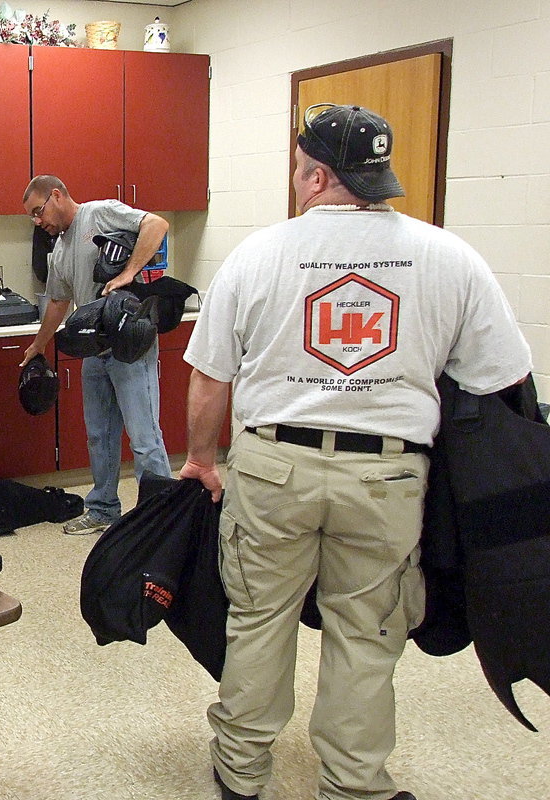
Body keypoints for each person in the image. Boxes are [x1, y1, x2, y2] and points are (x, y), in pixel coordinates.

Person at [179, 104, 532, 800]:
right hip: (388, 474)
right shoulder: (449, 256)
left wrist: (202, 460)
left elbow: (209, 377)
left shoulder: (259, 254)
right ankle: (353, 783)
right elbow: (503, 379)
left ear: (315, 176)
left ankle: (241, 772)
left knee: (258, 620)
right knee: (367, 636)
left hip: (274, 467)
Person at [20, 175, 172, 535]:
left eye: (38, 211)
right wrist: (39, 344)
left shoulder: (100, 213)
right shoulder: (57, 250)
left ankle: (161, 517)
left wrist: (130, 272)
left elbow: (157, 224)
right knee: (99, 435)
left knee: (144, 437)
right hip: (95, 350)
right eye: (33, 217)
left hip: (130, 345)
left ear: (56, 195)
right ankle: (103, 508)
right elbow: (58, 302)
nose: (38, 221)